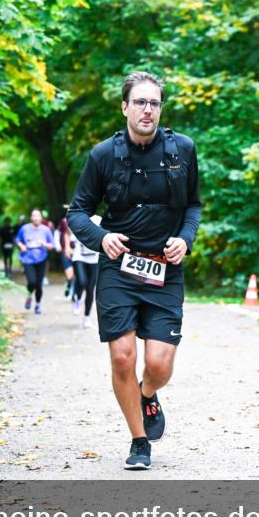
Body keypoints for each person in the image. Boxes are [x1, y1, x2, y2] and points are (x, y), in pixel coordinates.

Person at [67, 71, 202, 470]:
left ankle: (147, 393)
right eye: (140, 102)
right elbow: (77, 212)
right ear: (125, 107)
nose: (148, 110)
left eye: (154, 103)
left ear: (161, 108)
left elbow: (193, 205)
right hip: (119, 270)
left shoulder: (183, 150)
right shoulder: (103, 156)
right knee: (123, 357)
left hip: (164, 269)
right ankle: (139, 440)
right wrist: (100, 237)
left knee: (158, 365)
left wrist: (186, 239)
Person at [15, 209, 56, 314]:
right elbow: (17, 239)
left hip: (41, 260)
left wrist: (44, 244)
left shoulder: (46, 230)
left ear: (41, 218)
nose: (36, 218)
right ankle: (29, 295)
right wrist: (22, 246)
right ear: (31, 217)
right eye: (34, 216)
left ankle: (37, 304)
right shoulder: (25, 228)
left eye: (38, 216)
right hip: (27, 259)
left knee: (38, 284)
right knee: (32, 282)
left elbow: (52, 246)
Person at [72, 215, 102, 327]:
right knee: (81, 281)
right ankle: (78, 299)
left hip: (94, 259)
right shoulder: (79, 218)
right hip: (79, 257)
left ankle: (86, 317)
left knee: (90, 288)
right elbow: (71, 239)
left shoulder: (99, 219)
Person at [58, 212, 76, 299]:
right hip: (66, 251)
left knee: (77, 274)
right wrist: (66, 248)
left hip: (78, 252)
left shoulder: (84, 221)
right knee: (70, 274)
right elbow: (62, 234)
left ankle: (74, 294)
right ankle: (69, 284)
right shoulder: (64, 221)